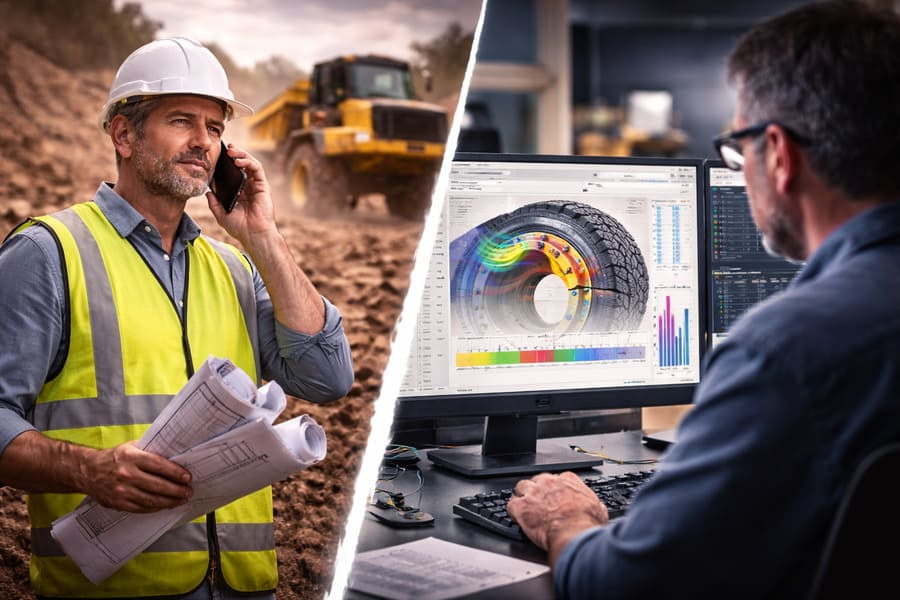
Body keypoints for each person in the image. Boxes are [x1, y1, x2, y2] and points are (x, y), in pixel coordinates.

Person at [507, 2, 900, 598]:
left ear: (779, 155)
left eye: (738, 151)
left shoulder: (789, 348)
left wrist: (567, 519)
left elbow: (627, 586)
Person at [0, 37, 354, 598]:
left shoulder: (237, 267)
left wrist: (264, 236)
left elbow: (328, 378)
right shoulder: (49, 252)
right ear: (124, 134)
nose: (203, 143)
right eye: (182, 120)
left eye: (215, 128)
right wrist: (89, 470)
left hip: (241, 586)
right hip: (116, 586)